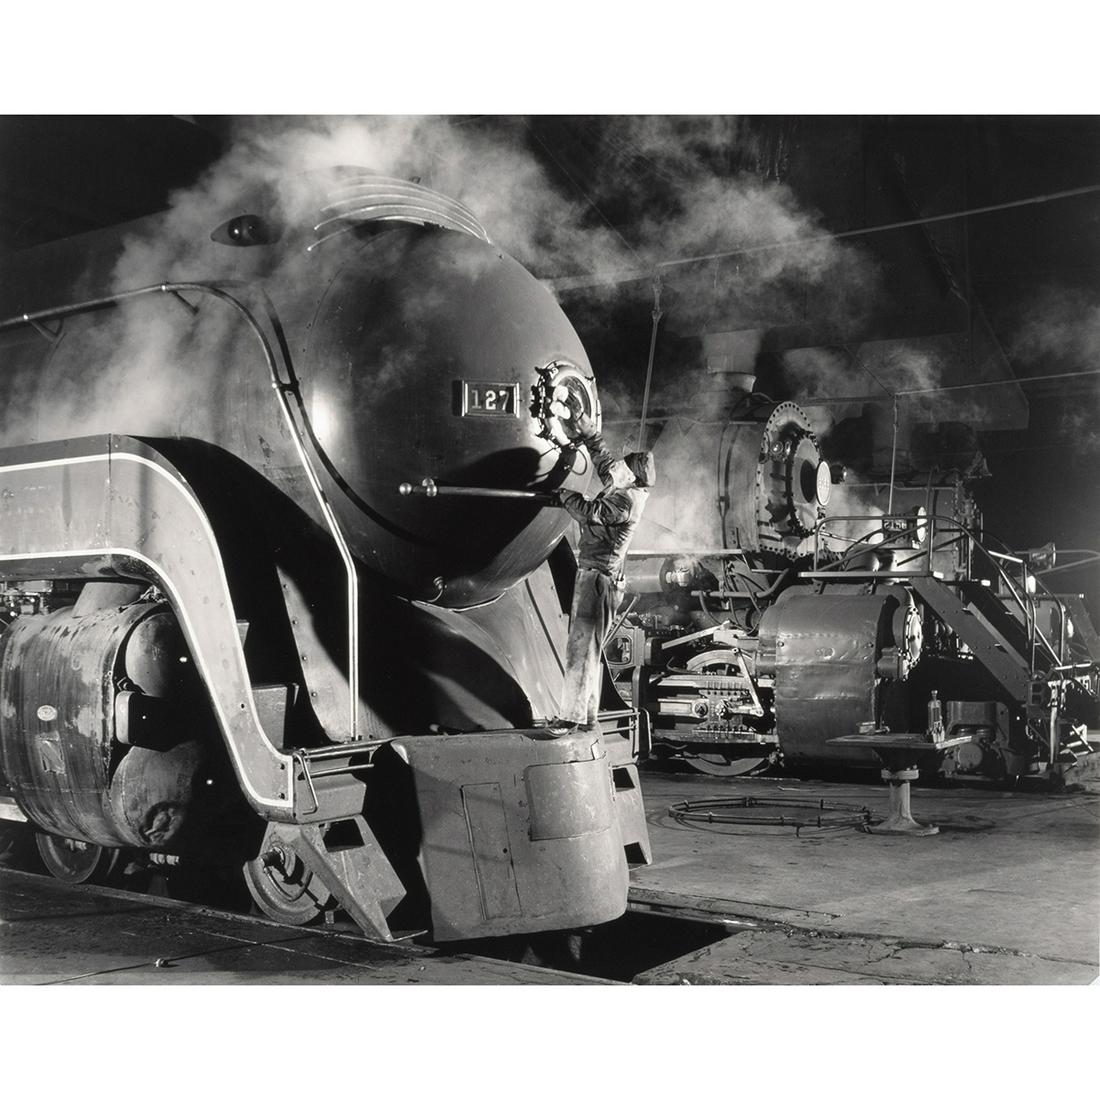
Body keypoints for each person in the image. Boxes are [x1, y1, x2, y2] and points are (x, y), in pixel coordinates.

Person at [546, 414, 655, 735]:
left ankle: (571, 718)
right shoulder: (623, 484)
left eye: (623, 466)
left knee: (580, 650)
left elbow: (591, 513)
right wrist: (588, 431)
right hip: (598, 577)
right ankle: (587, 717)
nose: (615, 467)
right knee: (588, 651)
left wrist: (564, 495)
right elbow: (604, 460)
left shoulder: (625, 501)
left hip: (598, 581)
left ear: (631, 477)